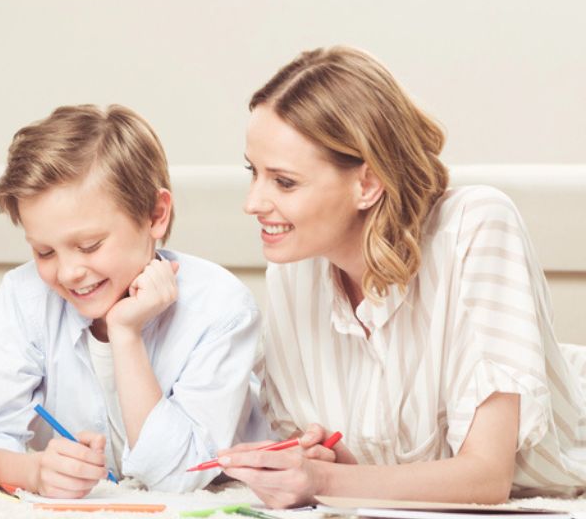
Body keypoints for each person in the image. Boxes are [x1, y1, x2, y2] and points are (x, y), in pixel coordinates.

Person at [227, 46, 586, 506]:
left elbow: (487, 477)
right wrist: (314, 459)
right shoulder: (293, 267)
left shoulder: (476, 227)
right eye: (252, 172)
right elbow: (358, 464)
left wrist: (320, 480)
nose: (252, 202)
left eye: (284, 181)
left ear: (368, 183)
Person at [0, 104, 265, 497]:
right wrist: (34, 472)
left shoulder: (222, 309)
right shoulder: (23, 297)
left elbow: (177, 475)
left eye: (89, 245)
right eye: (44, 252)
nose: (68, 272)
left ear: (155, 215)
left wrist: (125, 334)